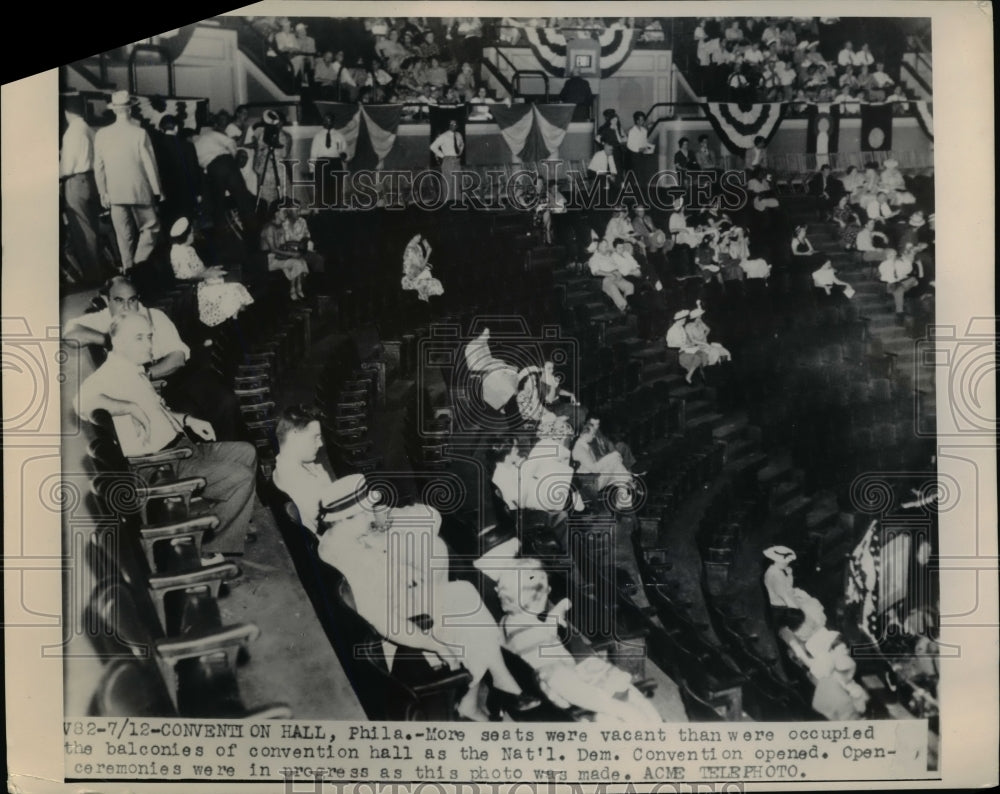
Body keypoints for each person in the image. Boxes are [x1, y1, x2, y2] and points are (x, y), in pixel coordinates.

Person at [316, 473, 540, 721]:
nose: (372, 517)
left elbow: (374, 562)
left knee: (462, 591)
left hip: (398, 602)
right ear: (346, 518)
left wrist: (403, 570)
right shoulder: (348, 558)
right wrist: (435, 646)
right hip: (392, 633)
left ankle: (493, 683)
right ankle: (488, 688)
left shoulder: (336, 540)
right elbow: (383, 622)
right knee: (466, 607)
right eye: (366, 512)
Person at [76, 312, 256, 556]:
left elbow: (158, 410)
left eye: (149, 337)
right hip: (161, 465)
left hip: (180, 446)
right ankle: (210, 548)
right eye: (139, 338)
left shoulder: (133, 368)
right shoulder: (110, 374)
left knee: (247, 451)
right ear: (117, 341)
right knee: (241, 476)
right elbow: (81, 401)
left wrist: (187, 419)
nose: (149, 344)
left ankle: (227, 521)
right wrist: (128, 407)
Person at [492, 558, 662, 722]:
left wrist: (553, 618)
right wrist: (618, 709)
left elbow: (539, 645)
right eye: (546, 589)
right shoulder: (540, 650)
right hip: (583, 698)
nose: (549, 590)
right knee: (642, 709)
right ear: (535, 599)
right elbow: (565, 684)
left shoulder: (510, 622)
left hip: (557, 682)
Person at [93, 90, 163, 271]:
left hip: (115, 193)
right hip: (139, 190)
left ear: (114, 110)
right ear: (130, 110)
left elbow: (98, 166)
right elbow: (150, 164)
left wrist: (103, 192)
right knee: (151, 227)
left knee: (123, 237)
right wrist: (158, 190)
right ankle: (139, 265)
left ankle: (128, 271)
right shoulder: (139, 133)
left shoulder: (101, 134)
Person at [168, 218, 254, 327]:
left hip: (204, 282)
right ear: (185, 236)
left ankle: (236, 322)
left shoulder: (188, 249)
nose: (193, 235)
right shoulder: (178, 252)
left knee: (236, 283)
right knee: (234, 290)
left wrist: (212, 269)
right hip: (195, 290)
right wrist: (208, 274)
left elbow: (199, 269)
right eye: (191, 233)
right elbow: (187, 276)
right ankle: (234, 324)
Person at [272, 404, 340, 534]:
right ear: (294, 437)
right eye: (315, 437)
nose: (320, 444)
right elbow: (332, 526)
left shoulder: (284, 465)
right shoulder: (301, 482)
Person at [193, 113, 256, 233]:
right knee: (243, 200)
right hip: (225, 162)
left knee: (218, 204)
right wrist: (232, 159)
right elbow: (231, 143)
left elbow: (202, 166)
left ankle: (221, 235)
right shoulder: (211, 134)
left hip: (212, 168)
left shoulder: (193, 145)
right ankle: (252, 235)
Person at [762, 546, 827, 638]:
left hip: (787, 602)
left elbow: (788, 587)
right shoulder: (774, 575)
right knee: (806, 620)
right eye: (785, 561)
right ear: (777, 560)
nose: (787, 563)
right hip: (782, 607)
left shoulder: (778, 571)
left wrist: (789, 575)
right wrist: (799, 611)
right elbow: (785, 596)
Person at [260, 207, 309, 300]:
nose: (286, 214)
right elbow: (274, 249)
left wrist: (295, 247)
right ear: (276, 213)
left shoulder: (280, 226)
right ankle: (292, 290)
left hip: (278, 257)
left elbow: (283, 244)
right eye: (284, 211)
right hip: (268, 260)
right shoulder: (269, 227)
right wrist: (291, 254)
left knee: (302, 261)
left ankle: (298, 288)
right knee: (296, 262)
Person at [253, 110, 293, 208]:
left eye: (280, 122)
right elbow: (259, 150)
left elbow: (284, 154)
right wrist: (257, 166)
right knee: (265, 198)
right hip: (265, 170)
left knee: (283, 196)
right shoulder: (263, 133)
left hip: (279, 169)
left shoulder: (285, 136)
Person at [310, 114, 348, 207]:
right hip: (322, 165)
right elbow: (313, 154)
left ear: (333, 122)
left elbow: (346, 152)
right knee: (322, 190)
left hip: (335, 164)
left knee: (335, 190)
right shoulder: (318, 136)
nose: (326, 122)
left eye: (329, 120)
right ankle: (323, 213)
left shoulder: (339, 136)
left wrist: (344, 155)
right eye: (324, 120)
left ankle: (335, 212)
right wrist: (312, 170)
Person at [588, 238, 635, 313]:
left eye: (607, 246)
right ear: (598, 247)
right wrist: (610, 274)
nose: (607, 248)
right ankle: (624, 307)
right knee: (612, 287)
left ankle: (627, 305)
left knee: (629, 286)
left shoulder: (608, 256)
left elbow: (616, 265)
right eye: (604, 246)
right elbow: (596, 272)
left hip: (615, 276)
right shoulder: (594, 258)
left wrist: (618, 272)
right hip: (604, 279)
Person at [666, 310, 708, 384]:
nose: (685, 321)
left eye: (684, 319)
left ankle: (704, 374)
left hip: (686, 349)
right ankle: (689, 376)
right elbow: (670, 344)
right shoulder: (672, 331)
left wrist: (690, 344)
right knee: (697, 358)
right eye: (684, 320)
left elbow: (685, 340)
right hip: (678, 353)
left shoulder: (681, 328)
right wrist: (683, 346)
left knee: (703, 354)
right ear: (679, 320)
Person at [879, 247, 922, 320]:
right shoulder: (883, 265)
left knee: (911, 280)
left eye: (895, 255)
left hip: (900, 283)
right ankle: (899, 311)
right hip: (891, 285)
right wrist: (895, 280)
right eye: (891, 255)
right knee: (899, 289)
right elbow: (884, 278)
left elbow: (907, 271)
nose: (894, 257)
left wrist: (906, 261)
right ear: (887, 256)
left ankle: (899, 311)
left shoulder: (898, 263)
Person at [400, 233, 444, 302]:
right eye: (417, 236)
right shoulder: (409, 250)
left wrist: (427, 264)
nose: (419, 238)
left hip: (419, 275)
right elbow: (419, 269)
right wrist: (428, 254)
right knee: (435, 284)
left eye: (419, 236)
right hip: (412, 280)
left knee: (435, 282)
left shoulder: (417, 247)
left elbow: (421, 264)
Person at [429, 120, 464, 203]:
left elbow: (462, 144)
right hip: (448, 160)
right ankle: (447, 203)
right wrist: (443, 156)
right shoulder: (443, 136)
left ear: (457, 126)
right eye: (452, 124)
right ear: (449, 125)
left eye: (455, 124)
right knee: (447, 182)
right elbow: (433, 146)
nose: (453, 125)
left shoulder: (459, 135)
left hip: (456, 160)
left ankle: (457, 202)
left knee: (457, 181)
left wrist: (459, 153)